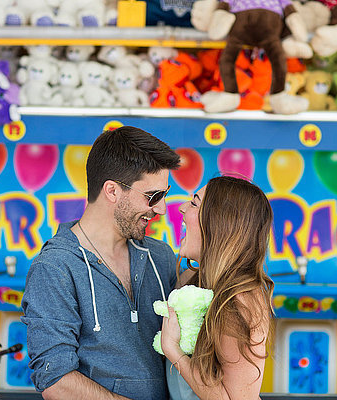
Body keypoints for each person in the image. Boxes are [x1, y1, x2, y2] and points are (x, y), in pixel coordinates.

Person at [21, 126, 181, 400]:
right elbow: (55, 380)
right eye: (153, 196)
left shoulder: (161, 256)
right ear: (112, 190)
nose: (162, 208)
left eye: (164, 194)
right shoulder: (55, 267)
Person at [160, 176, 275, 400]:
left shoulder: (239, 300)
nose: (182, 208)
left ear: (220, 223)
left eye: (194, 203)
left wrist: (172, 350)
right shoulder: (192, 278)